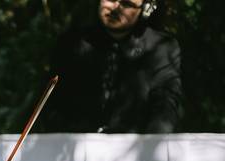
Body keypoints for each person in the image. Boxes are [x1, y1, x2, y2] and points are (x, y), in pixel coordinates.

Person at [45, 0, 182, 133]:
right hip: (77, 147)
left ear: (145, 10)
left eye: (127, 3)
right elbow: (54, 105)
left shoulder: (163, 47)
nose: (116, 8)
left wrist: (148, 146)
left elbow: (165, 105)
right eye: (110, 0)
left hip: (135, 148)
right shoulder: (70, 43)